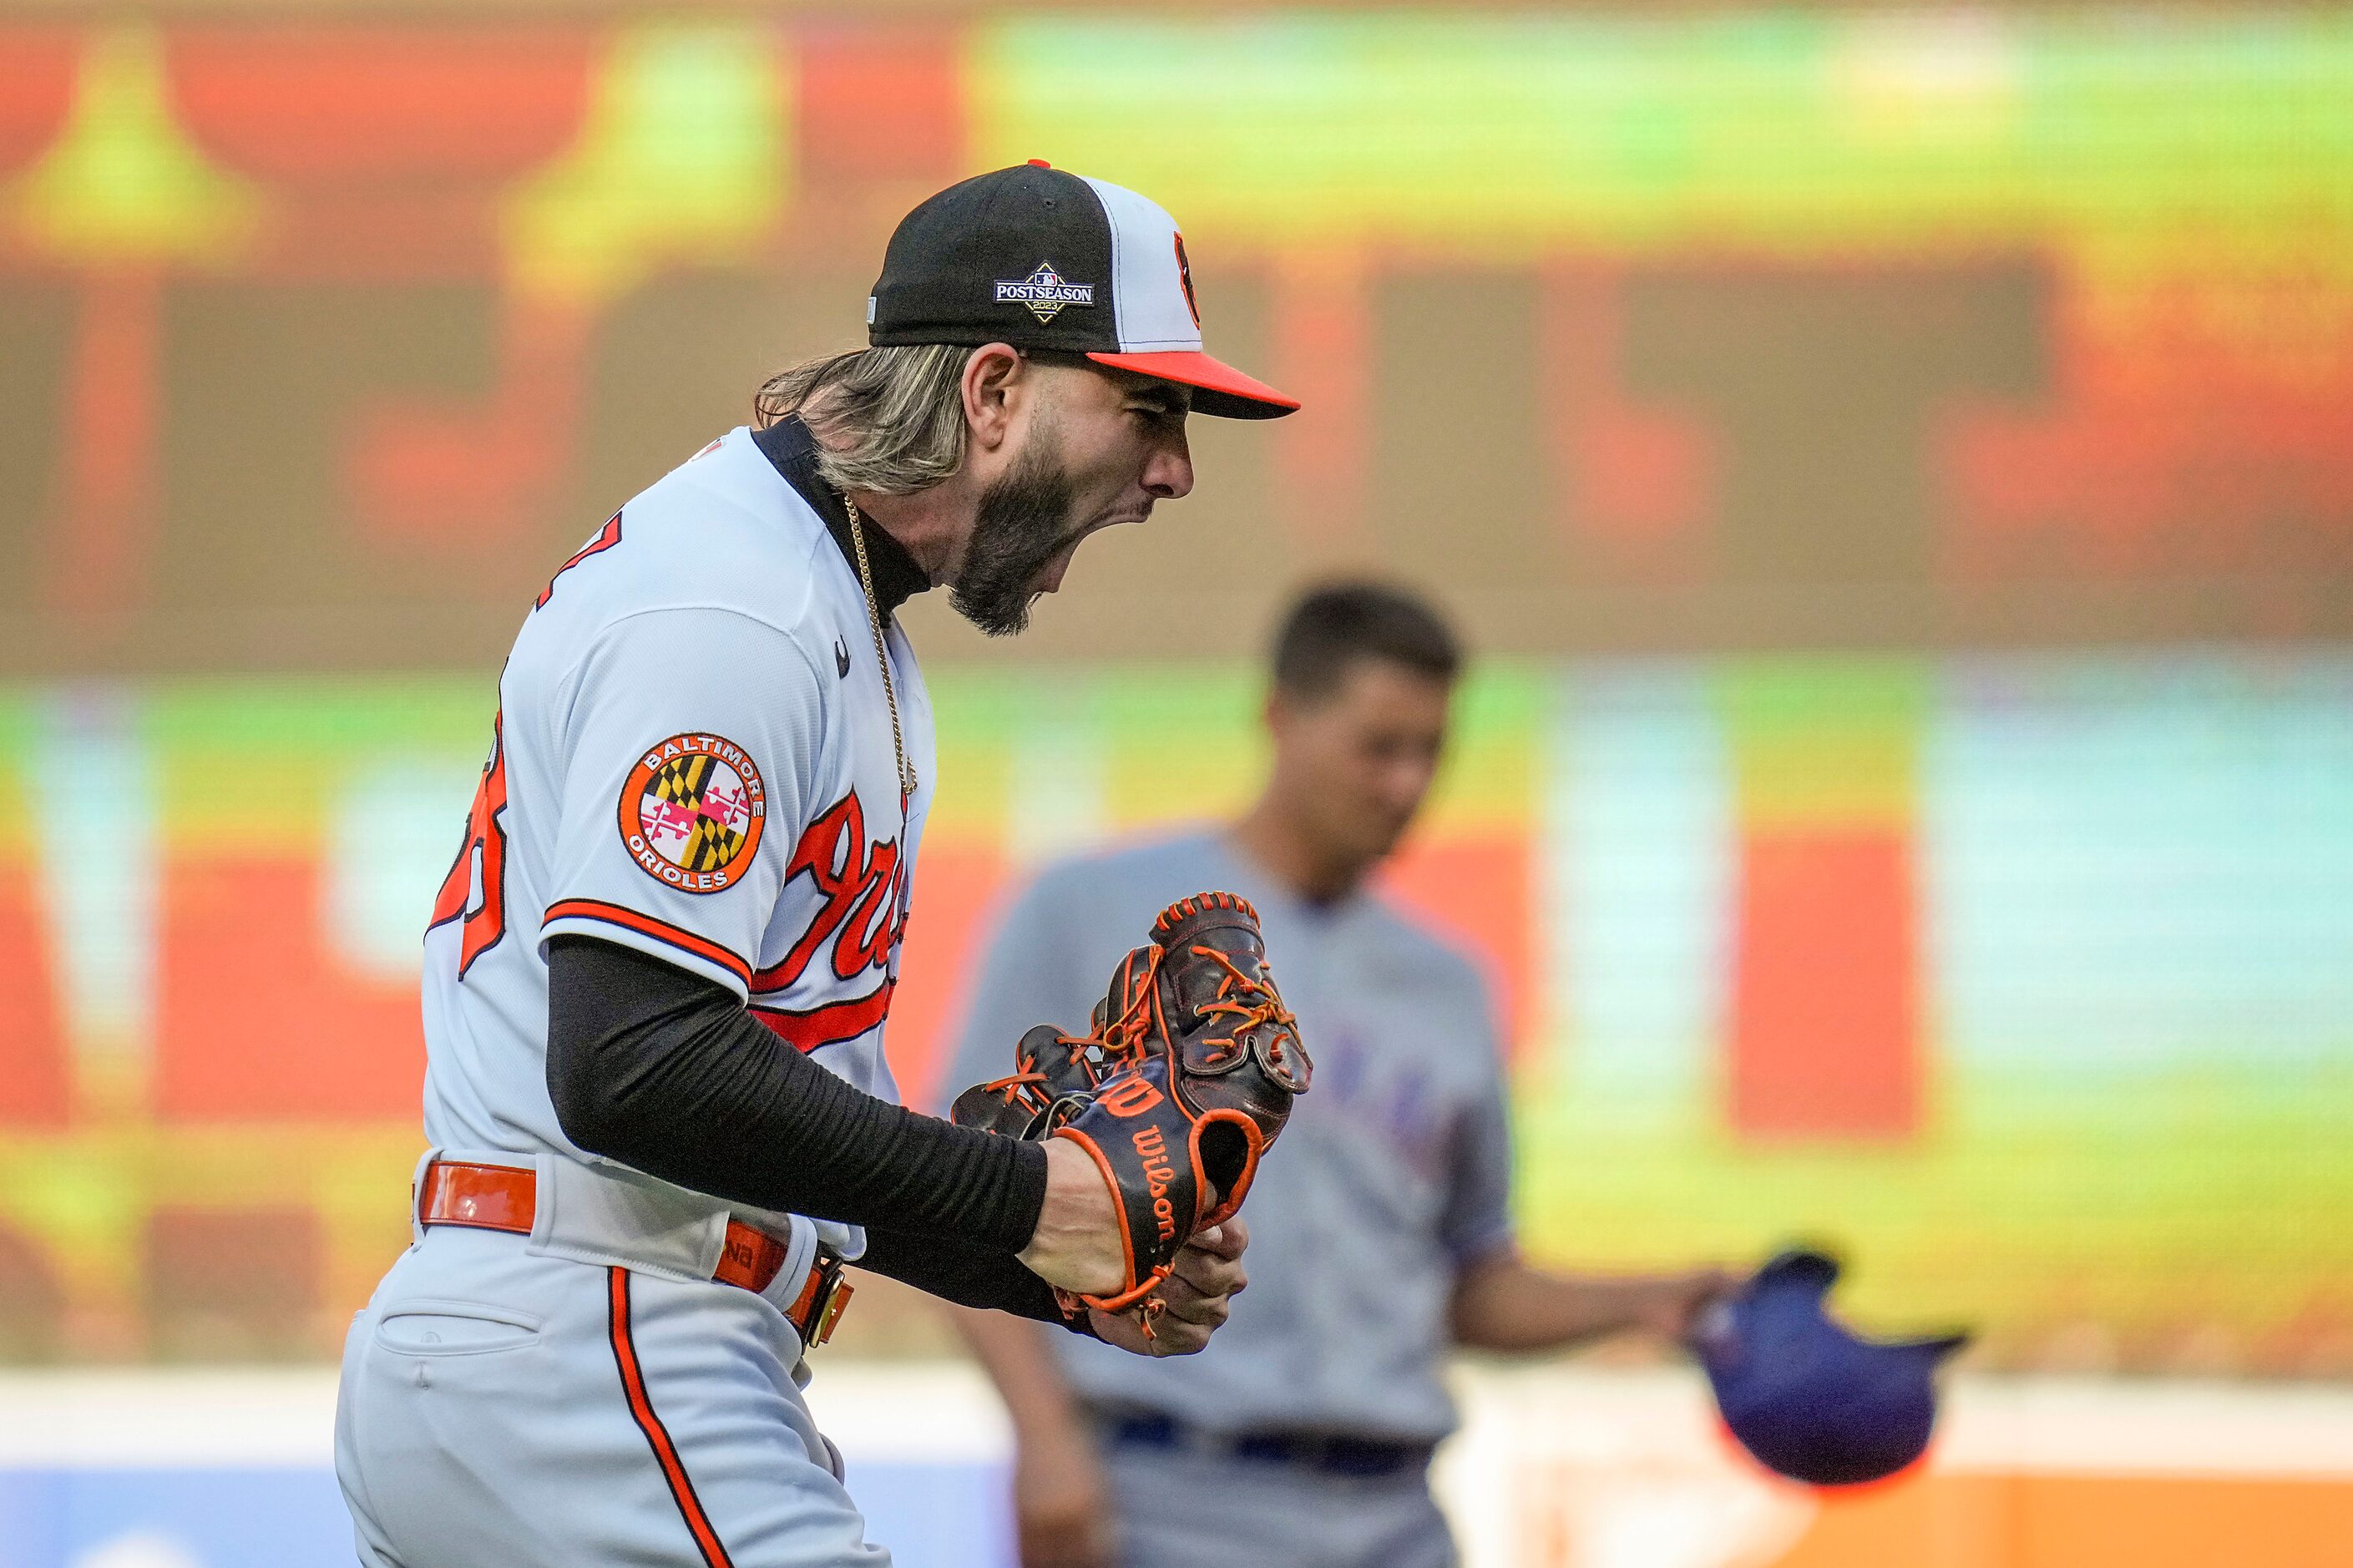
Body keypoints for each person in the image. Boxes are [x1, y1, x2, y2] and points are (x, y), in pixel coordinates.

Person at [333, 162, 1299, 1567]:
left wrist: (1060, 1269)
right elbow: (630, 1064)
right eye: (1145, 405)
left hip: (573, 1344)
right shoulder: (737, 601)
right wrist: (1039, 1202)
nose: (1174, 467)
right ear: (988, 391)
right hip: (594, 1341)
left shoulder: (825, 596)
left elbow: (785, 1132)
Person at [944, 584, 1733, 1568]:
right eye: (1378, 746)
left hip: (1396, 1514)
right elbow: (966, 1197)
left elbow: (1465, 1280)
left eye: (1430, 753)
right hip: (1163, 1497)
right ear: (1282, 717)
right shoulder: (1088, 911)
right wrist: (1045, 1439)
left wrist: (1647, 1304)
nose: (1406, 783)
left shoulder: (1447, 984)